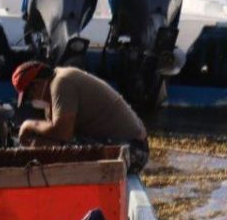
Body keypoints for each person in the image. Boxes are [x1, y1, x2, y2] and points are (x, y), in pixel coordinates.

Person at [12, 61, 150, 173]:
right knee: (42, 142)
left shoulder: (62, 83)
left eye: (29, 97)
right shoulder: (57, 85)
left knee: (44, 145)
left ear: (36, 85)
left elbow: (62, 132)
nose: (32, 101)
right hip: (121, 145)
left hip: (132, 152)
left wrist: (28, 125)